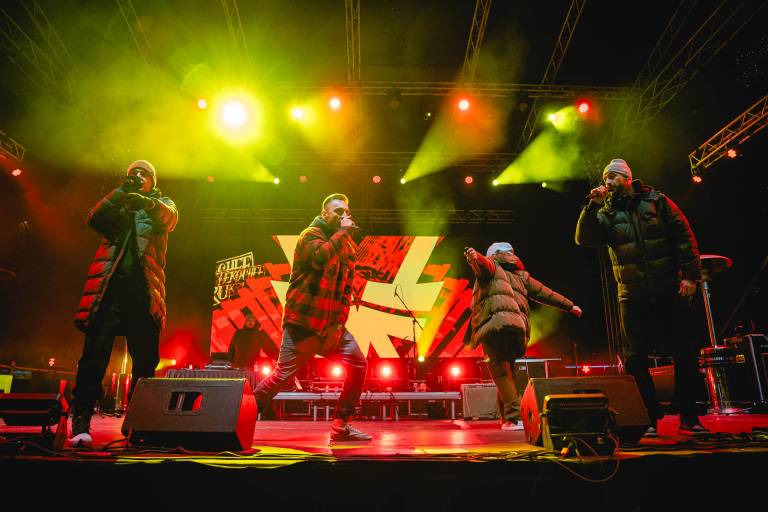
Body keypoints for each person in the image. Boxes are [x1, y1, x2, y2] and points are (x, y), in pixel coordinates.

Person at [575, 158, 707, 437]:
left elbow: (684, 236)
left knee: (684, 351)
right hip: (632, 294)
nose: (608, 182)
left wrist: (690, 276)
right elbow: (584, 238)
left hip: (668, 288)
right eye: (606, 178)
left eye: (613, 177)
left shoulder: (656, 201)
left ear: (627, 178)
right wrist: (591, 206)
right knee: (635, 358)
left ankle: (689, 415)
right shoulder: (605, 212)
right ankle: (647, 417)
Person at [69, 160, 178, 447]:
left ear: (152, 182)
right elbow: (94, 217)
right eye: (133, 173)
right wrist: (120, 193)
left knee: (145, 363)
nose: (138, 176)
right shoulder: (117, 206)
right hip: (108, 293)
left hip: (143, 295)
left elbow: (170, 218)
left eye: (144, 174)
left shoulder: (161, 204)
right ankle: (80, 423)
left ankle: (138, 425)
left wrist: (147, 203)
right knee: (93, 360)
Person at [253, 193, 370, 441]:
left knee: (358, 363)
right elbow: (320, 258)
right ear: (325, 213)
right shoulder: (310, 235)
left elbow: (346, 290)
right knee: (281, 376)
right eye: (338, 211)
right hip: (303, 324)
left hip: (330, 327)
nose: (344, 215)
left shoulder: (347, 246)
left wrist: (338, 324)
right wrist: (343, 233)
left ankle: (341, 425)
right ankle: (236, 418)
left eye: (346, 211)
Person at [464, 242, 582, 431]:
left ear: (493, 254)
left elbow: (484, 265)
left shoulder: (493, 266)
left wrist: (474, 257)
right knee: (507, 374)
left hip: (494, 327)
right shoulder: (522, 275)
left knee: (501, 374)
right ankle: (507, 419)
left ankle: (515, 418)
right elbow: (545, 293)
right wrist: (570, 305)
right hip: (516, 329)